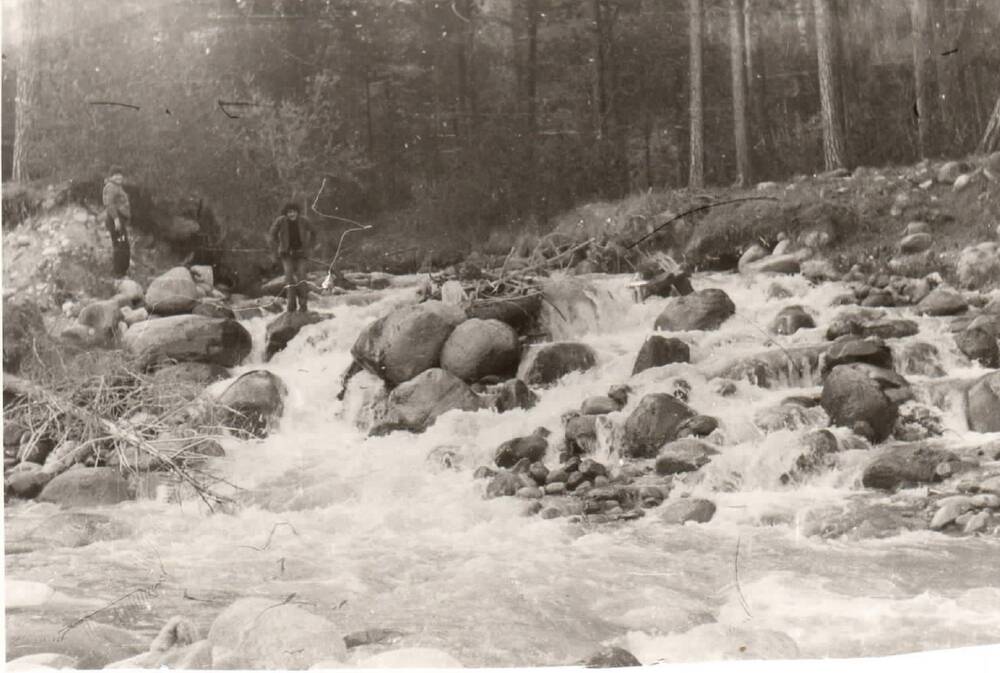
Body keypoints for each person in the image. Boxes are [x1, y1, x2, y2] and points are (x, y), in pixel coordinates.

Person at [268, 201, 316, 312]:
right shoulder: (280, 221)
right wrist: (279, 244)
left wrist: (310, 246)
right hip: (286, 254)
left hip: (301, 254)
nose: (291, 214)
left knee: (302, 278)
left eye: (293, 212)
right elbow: (272, 233)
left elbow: (314, 232)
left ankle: (303, 305)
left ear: (297, 212)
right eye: (289, 212)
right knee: (289, 278)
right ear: (286, 213)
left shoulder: (304, 221)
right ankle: (291, 306)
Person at [102, 165, 131, 277]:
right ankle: (118, 273)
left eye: (120, 174)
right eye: (116, 175)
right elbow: (109, 204)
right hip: (115, 220)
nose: (119, 177)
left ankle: (122, 272)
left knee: (122, 244)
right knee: (120, 244)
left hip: (119, 220)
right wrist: (116, 219)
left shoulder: (117, 187)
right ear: (111, 176)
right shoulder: (111, 187)